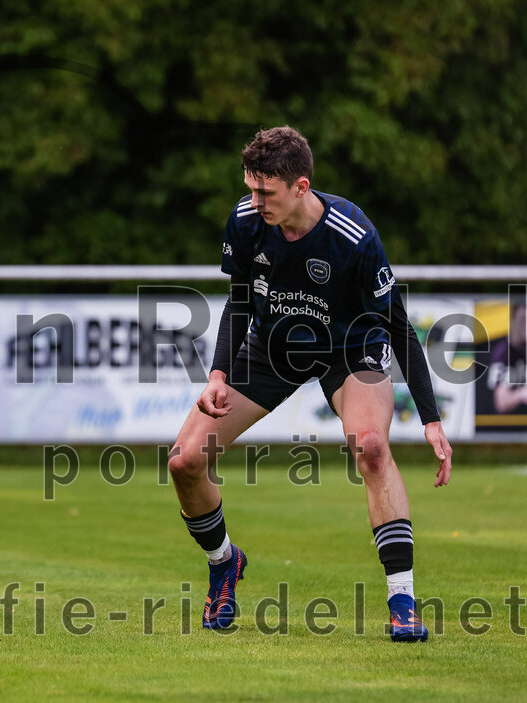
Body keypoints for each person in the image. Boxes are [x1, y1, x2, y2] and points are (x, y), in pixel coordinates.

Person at [167, 126, 452, 642]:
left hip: (350, 350)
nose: (255, 202)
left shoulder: (353, 234)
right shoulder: (246, 221)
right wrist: (218, 374)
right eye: (250, 189)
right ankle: (224, 563)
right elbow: (237, 300)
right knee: (185, 460)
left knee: (370, 447)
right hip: (272, 349)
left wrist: (431, 418)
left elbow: (398, 322)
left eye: (266, 193)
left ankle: (403, 599)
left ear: (301, 186)